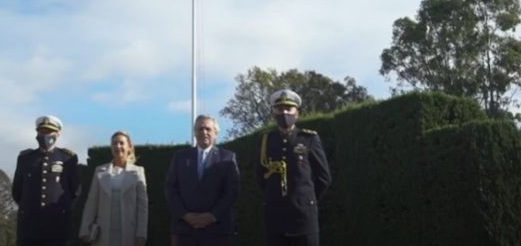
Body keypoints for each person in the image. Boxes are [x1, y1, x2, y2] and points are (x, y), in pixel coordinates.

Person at [256, 89, 332, 246]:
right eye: (279, 109)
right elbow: (261, 177)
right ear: (273, 113)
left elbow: (324, 177)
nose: (284, 113)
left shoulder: (309, 138)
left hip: (304, 216)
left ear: (296, 113)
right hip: (275, 216)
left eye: (288, 109)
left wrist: (306, 199)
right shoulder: (266, 140)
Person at [165, 115, 240, 246]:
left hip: (217, 230)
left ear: (215, 133)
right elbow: (170, 189)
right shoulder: (180, 157)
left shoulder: (228, 158)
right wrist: (185, 215)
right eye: (200, 129)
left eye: (208, 129)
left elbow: (232, 191)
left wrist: (212, 216)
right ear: (194, 132)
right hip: (185, 230)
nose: (204, 132)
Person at [12, 115, 81, 246]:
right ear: (37, 133)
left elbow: (75, 192)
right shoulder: (25, 158)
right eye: (42, 131)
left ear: (58, 134)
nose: (45, 135)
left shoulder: (67, 158)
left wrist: (62, 209)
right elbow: (17, 191)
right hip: (29, 228)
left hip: (57, 228)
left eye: (49, 131)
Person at [79, 131, 148, 246]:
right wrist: (85, 228)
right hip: (102, 234)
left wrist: (141, 234)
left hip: (129, 234)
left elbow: (142, 207)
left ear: (129, 147)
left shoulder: (138, 172)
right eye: (114, 143)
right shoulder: (99, 171)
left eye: (121, 143)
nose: (118, 146)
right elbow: (92, 203)